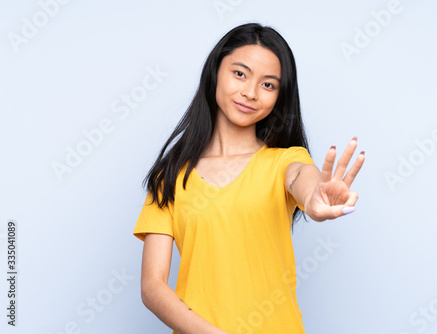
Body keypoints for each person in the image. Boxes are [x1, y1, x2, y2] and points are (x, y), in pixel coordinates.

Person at [132, 22, 365, 334]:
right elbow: (153, 287)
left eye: (268, 85)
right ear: (215, 72)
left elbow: (302, 180)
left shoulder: (286, 160)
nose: (250, 93)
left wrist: (316, 199)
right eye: (239, 73)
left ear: (279, 97)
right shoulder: (172, 176)